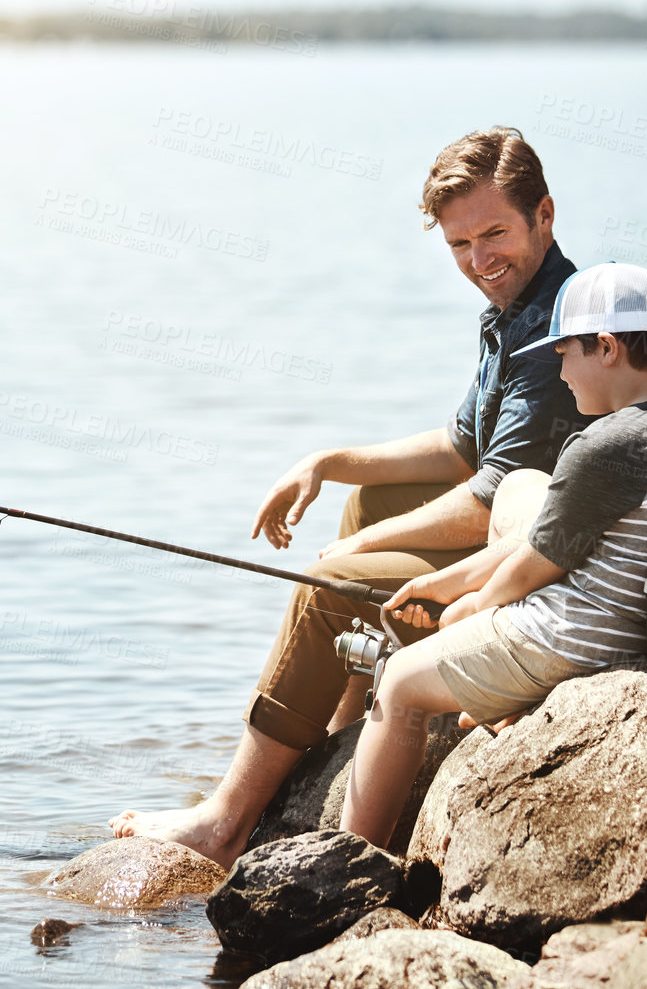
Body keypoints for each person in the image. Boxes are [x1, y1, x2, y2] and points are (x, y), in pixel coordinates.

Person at [109, 127, 591, 867]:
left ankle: (226, 821)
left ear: (545, 215)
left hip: (543, 573)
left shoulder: (555, 332)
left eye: (494, 233)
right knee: (368, 502)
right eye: (460, 245)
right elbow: (465, 445)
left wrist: (353, 555)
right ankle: (338, 733)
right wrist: (330, 462)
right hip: (520, 534)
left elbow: (487, 495)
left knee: (329, 581)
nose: (478, 260)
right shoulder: (521, 302)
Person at [336, 262, 647, 848]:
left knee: (398, 681)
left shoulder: (607, 444)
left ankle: (352, 857)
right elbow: (544, 535)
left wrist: (466, 608)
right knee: (521, 485)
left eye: (565, 351)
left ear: (605, 348)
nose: (559, 367)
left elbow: (531, 569)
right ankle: (491, 697)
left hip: (583, 636)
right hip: (637, 609)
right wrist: (443, 582)